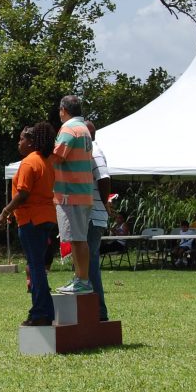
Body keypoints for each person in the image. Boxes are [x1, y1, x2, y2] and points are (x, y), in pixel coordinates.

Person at [0, 122, 57, 326]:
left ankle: (40, 313)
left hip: (31, 220)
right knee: (38, 266)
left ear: (31, 142)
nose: (19, 142)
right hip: (46, 218)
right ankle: (45, 312)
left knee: (35, 267)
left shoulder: (29, 162)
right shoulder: (46, 161)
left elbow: (23, 193)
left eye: (22, 138)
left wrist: (5, 211)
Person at [51, 95, 94, 295]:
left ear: (64, 110)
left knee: (77, 240)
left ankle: (82, 281)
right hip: (82, 192)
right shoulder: (84, 128)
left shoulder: (69, 129)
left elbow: (57, 156)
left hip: (71, 194)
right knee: (78, 239)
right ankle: (80, 278)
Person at [85, 120, 113, 321]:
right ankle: (93, 310)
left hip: (94, 215)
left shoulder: (94, 151)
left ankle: (99, 311)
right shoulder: (87, 151)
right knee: (87, 263)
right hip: (92, 214)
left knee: (90, 262)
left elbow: (104, 178)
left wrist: (104, 203)